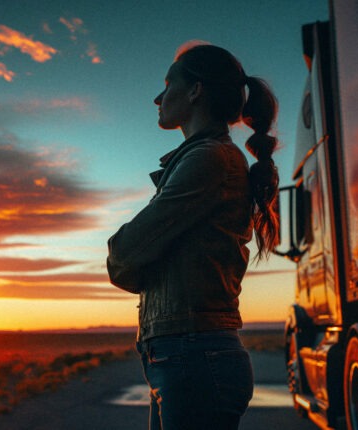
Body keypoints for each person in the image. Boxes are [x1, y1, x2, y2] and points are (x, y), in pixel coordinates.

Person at [106, 41, 280, 429]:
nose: (157, 97)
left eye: (168, 84)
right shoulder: (205, 157)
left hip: (194, 357)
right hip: (186, 356)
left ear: (195, 90)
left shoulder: (209, 159)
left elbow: (125, 255)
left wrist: (134, 258)